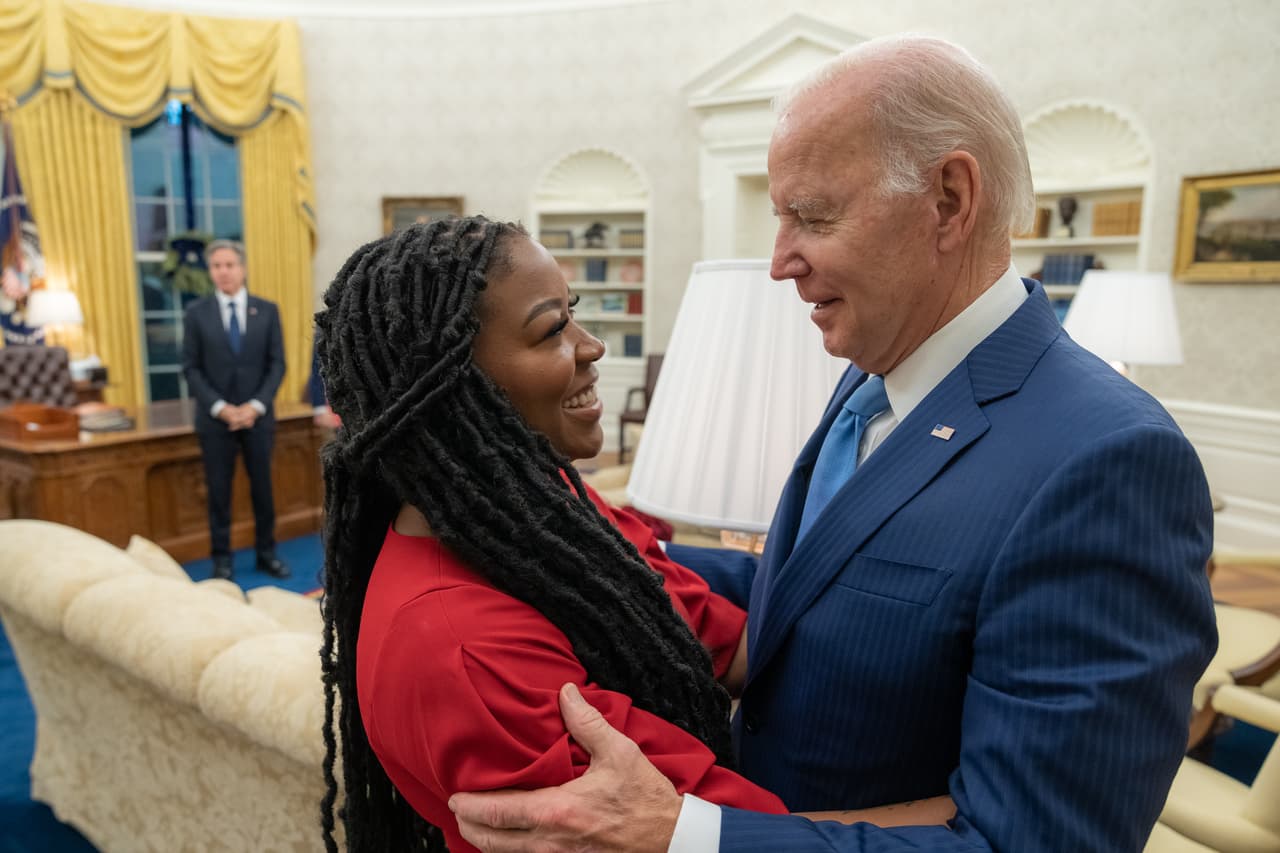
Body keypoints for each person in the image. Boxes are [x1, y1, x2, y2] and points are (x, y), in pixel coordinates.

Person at [448, 35, 1218, 853]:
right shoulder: (874, 372)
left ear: (950, 200)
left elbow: (1034, 840)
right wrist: (575, 541)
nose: (780, 262)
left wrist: (689, 837)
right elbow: (815, 586)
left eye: (812, 217)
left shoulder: (1111, 461)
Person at [317, 217, 815, 853]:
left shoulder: (554, 517)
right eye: (553, 329)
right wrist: (968, 827)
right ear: (454, 391)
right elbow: (747, 836)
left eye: (573, 314)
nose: (592, 346)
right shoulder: (465, 650)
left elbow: (732, 647)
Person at [181, 239, 290, 581]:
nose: (223, 271)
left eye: (229, 265)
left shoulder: (267, 310)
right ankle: (222, 559)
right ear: (210, 271)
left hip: (258, 419)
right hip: (216, 422)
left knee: (263, 490)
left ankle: (266, 553)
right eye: (217, 266)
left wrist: (255, 407)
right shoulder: (196, 313)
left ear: (242, 268)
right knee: (219, 491)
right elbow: (191, 368)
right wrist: (221, 408)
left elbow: (277, 365)